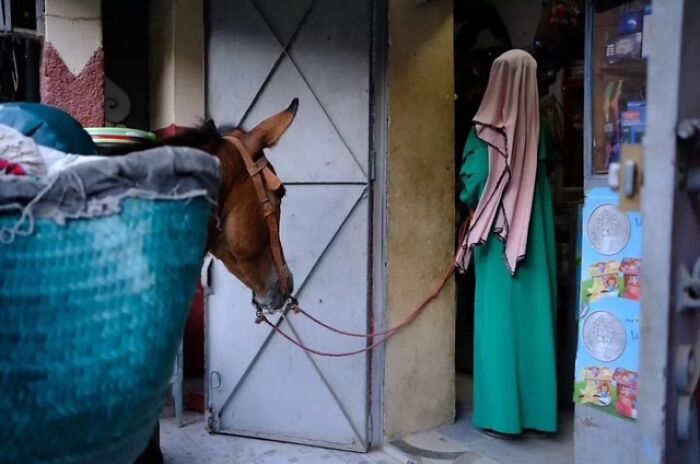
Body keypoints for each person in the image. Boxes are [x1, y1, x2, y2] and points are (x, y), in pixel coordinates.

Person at [456, 49, 558, 438]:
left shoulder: (483, 129)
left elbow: (475, 181)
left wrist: (471, 203)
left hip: (498, 247)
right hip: (537, 238)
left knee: (499, 325)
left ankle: (501, 416)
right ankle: (539, 413)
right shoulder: (541, 128)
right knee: (535, 323)